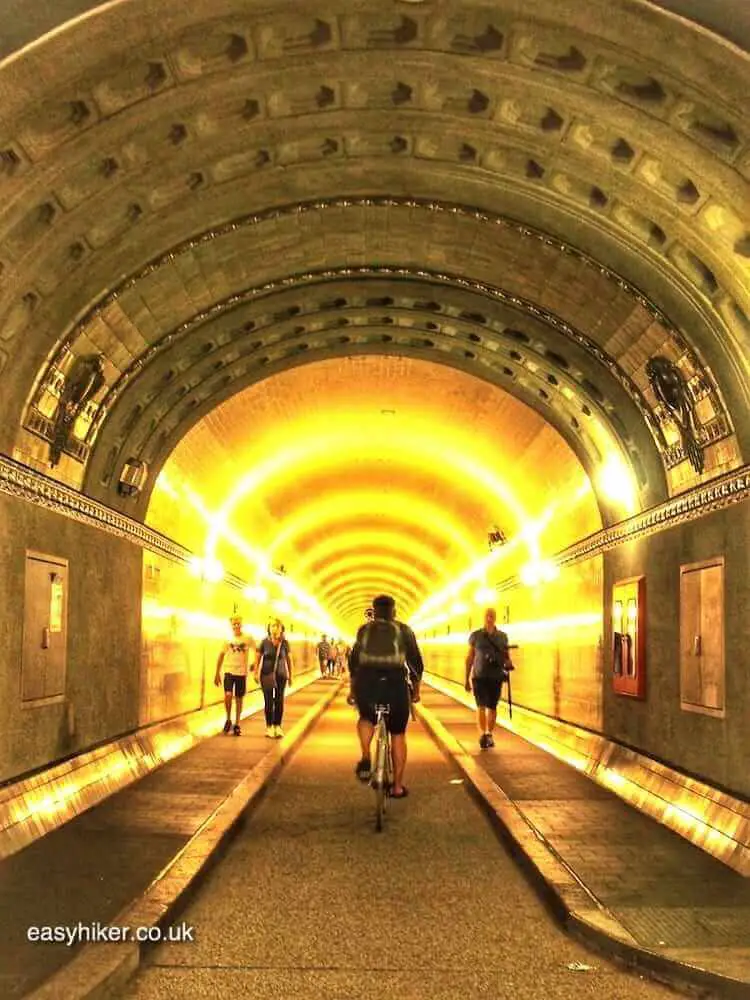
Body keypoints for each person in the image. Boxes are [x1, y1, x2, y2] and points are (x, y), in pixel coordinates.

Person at [349, 594, 424, 799]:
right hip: (395, 684)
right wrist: (416, 691)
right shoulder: (404, 630)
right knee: (398, 732)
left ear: (374, 612)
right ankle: (398, 787)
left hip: (367, 682)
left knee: (366, 718)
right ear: (394, 612)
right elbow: (416, 663)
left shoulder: (364, 630)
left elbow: (354, 661)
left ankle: (366, 756)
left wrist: (353, 689)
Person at [465, 607, 513, 749]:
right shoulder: (476, 636)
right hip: (479, 676)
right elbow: (469, 657)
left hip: (495, 676)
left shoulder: (502, 637)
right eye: (487, 615)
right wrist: (466, 678)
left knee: (492, 706)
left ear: (495, 617)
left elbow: (506, 656)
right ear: (484, 617)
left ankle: (489, 734)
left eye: (492, 615)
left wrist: (508, 664)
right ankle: (482, 734)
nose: (489, 618)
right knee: (480, 706)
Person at [214, 614, 256, 736]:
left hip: (241, 673)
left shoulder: (248, 638)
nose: (236, 626)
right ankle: (228, 719)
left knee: (238, 698)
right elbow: (221, 655)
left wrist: (255, 663)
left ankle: (237, 723)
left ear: (241, 624)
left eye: (238, 623)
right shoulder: (227, 639)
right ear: (231, 625)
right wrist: (217, 673)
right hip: (229, 671)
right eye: (234, 624)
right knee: (227, 695)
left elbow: (257, 650)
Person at [255, 618, 293, 738]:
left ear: (282, 629)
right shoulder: (264, 643)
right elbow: (257, 658)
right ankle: (269, 727)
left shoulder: (285, 643)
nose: (275, 628)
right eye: (273, 626)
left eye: (277, 626)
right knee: (268, 701)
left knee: (279, 700)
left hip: (281, 675)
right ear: (269, 628)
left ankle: (278, 726)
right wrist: (256, 672)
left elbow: (289, 660)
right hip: (266, 675)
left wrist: (291, 675)